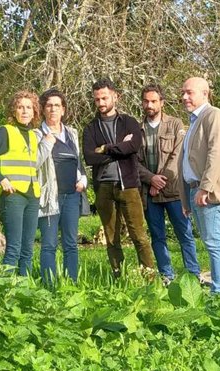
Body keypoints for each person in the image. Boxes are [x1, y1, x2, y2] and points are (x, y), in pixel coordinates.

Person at [0, 90, 54, 275]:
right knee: (13, 249)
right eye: (20, 107)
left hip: (32, 196)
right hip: (13, 196)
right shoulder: (5, 132)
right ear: (14, 111)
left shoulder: (34, 136)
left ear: (35, 112)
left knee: (27, 250)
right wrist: (0, 180)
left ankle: (23, 291)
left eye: (29, 108)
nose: (25, 111)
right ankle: (5, 291)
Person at [82, 78, 154, 277]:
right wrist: (119, 148)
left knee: (138, 235)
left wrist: (105, 148)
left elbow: (133, 146)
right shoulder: (90, 128)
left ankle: (149, 277)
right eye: (97, 99)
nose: (101, 103)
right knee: (112, 237)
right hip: (103, 187)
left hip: (128, 186)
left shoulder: (128, 122)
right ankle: (118, 277)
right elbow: (90, 157)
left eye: (105, 98)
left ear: (115, 96)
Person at [178, 77, 220, 295]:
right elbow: (186, 161)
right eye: (183, 92)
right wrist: (186, 198)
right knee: (211, 241)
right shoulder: (194, 121)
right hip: (197, 191)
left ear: (205, 94)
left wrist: (205, 187)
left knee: (214, 241)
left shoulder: (214, 115)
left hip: (213, 192)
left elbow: (217, 152)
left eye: (190, 92)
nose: (184, 97)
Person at [137, 84, 200, 283]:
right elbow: (133, 162)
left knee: (185, 233)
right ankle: (167, 275)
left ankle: (193, 274)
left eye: (154, 101)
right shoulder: (137, 129)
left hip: (173, 192)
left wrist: (160, 181)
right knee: (157, 236)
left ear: (161, 103)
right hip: (149, 194)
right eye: (146, 101)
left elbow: (177, 156)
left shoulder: (175, 124)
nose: (149, 105)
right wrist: (151, 179)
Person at [36, 88, 87, 283]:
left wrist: (83, 179)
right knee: (49, 244)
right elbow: (35, 162)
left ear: (63, 110)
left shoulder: (72, 133)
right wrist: (47, 142)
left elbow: (78, 162)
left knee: (71, 244)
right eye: (49, 105)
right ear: (43, 109)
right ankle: (48, 285)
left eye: (57, 105)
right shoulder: (37, 134)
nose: (53, 109)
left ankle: (71, 283)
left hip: (72, 196)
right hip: (50, 196)